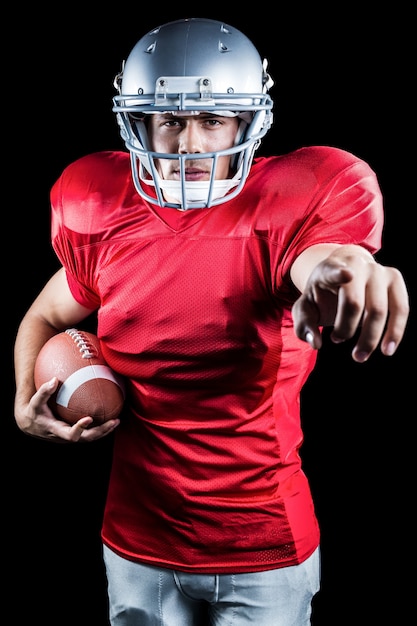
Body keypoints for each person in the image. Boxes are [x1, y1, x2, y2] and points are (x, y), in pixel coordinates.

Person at [13, 17, 409, 626]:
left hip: (261, 543)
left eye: (213, 118)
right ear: (138, 122)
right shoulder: (102, 207)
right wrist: (23, 400)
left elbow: (321, 259)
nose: (190, 144)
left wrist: (345, 270)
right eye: (170, 120)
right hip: (136, 535)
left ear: (248, 121)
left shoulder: (289, 204)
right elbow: (45, 312)